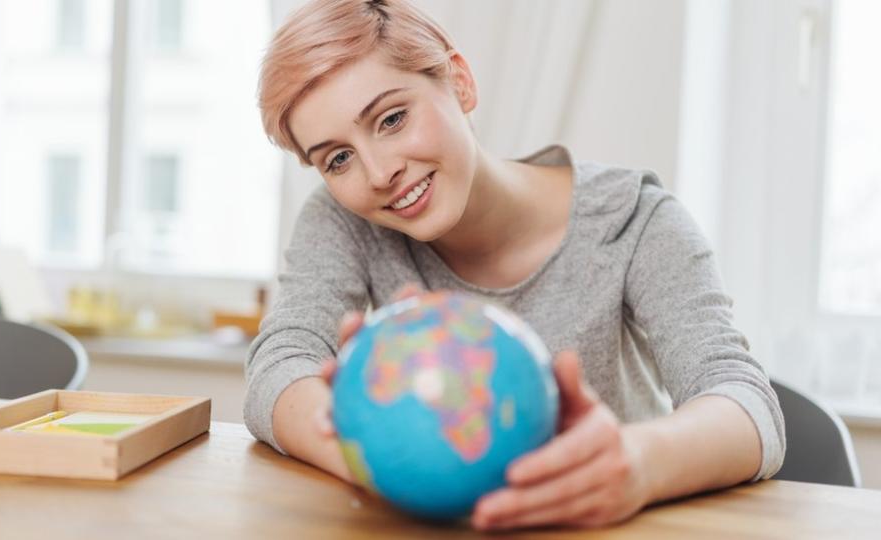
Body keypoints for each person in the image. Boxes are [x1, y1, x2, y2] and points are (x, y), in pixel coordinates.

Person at [245, 0, 785, 530]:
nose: (380, 172)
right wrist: (374, 456)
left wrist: (638, 463)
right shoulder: (344, 219)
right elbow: (280, 365)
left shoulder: (635, 218)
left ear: (459, 82)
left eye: (392, 118)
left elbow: (744, 403)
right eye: (337, 158)